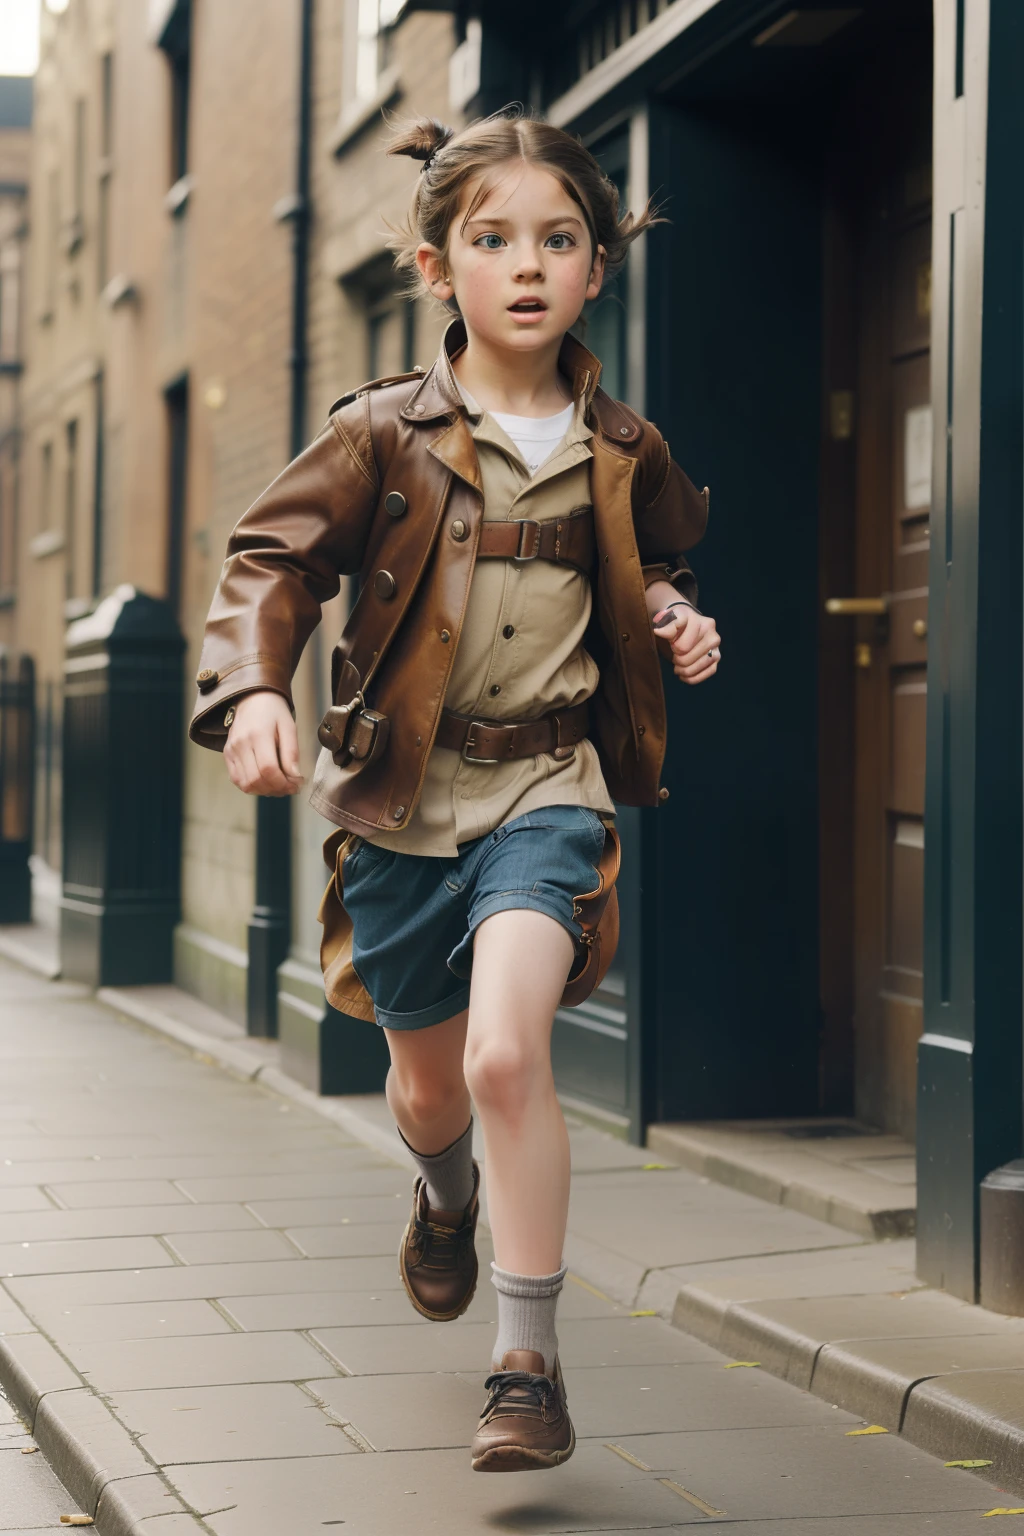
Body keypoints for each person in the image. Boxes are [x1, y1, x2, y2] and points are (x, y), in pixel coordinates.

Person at [189, 108, 720, 1473]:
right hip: (400, 808)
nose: (528, 264)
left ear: (599, 266)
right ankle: (442, 1200)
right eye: (493, 239)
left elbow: (651, 560)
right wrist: (253, 688)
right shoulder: (380, 434)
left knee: (504, 1055)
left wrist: (672, 614)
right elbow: (269, 564)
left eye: (559, 240)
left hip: (550, 788)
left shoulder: (625, 447)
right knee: (429, 1095)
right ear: (438, 267)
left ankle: (527, 1367)